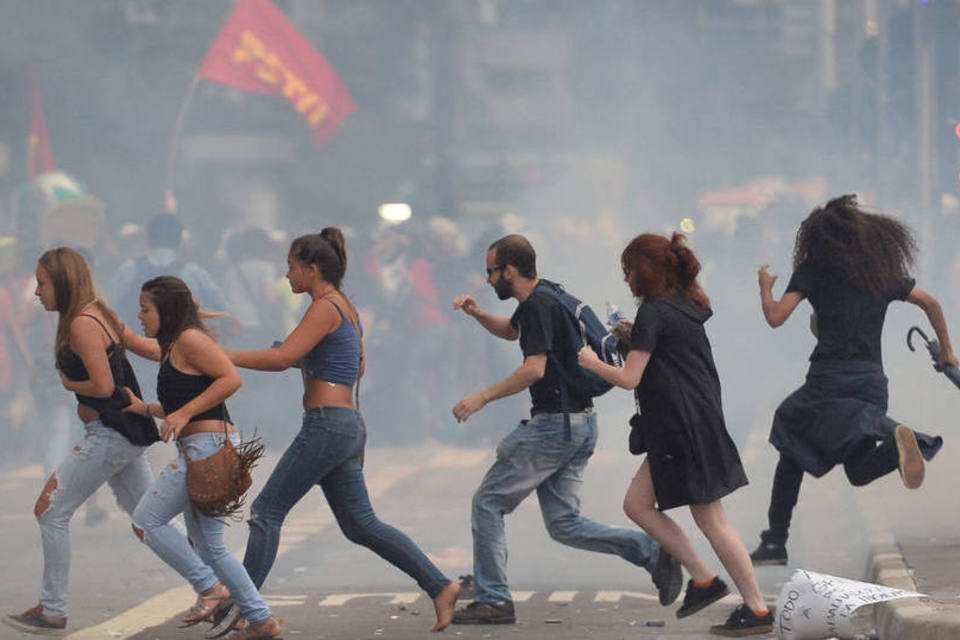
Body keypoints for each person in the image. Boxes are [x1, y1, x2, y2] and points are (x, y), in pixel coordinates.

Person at [214, 228, 460, 634]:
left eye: (291, 267)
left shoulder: (325, 307)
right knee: (361, 524)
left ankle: (248, 610)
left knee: (266, 512)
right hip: (344, 425)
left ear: (312, 269)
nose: (286, 275)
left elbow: (282, 358)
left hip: (327, 425)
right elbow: (348, 366)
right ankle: (440, 585)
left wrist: (221, 356)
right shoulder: (344, 306)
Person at [449, 234, 681, 626]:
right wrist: (476, 314)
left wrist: (482, 397)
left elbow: (534, 368)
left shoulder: (538, 304)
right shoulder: (547, 296)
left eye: (491, 272)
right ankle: (652, 552)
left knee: (488, 503)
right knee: (564, 525)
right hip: (580, 424)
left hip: (553, 427)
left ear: (509, 269)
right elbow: (511, 331)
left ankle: (493, 599)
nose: (487, 281)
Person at [578, 232, 774, 637]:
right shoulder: (684, 306)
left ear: (646, 272)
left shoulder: (654, 313)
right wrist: (634, 338)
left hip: (682, 427)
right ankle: (704, 581)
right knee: (638, 504)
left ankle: (755, 609)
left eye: (629, 270)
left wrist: (592, 362)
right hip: (688, 423)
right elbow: (664, 355)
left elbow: (630, 378)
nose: (627, 278)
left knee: (712, 520)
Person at [2, 248, 206, 635]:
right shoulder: (100, 313)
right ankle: (214, 583)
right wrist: (190, 343)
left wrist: (68, 384)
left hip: (112, 434)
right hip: (125, 433)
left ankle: (52, 609)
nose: (37, 292)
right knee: (150, 519)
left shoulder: (81, 322)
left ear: (62, 281)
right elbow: (150, 348)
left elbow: (103, 386)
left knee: (50, 510)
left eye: (43, 283)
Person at [748, 194, 954, 567]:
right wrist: (948, 354)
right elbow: (930, 302)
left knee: (790, 436)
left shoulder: (813, 270)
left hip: (826, 382)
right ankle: (896, 443)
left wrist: (765, 286)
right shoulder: (877, 271)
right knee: (858, 471)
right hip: (870, 382)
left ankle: (775, 541)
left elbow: (776, 316)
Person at [124, 276, 280, 639]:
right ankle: (260, 620)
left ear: (166, 309)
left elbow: (230, 378)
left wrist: (181, 414)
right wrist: (146, 408)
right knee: (211, 547)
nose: (140, 315)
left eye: (146, 309)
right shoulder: (175, 346)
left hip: (209, 449)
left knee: (147, 520)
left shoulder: (191, 340)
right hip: (201, 447)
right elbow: (182, 405)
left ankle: (211, 589)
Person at [109, 212, 230, 331]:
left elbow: (110, 305)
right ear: (179, 239)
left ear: (148, 238)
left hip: (137, 344)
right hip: (182, 345)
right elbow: (222, 307)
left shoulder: (129, 269)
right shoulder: (194, 273)